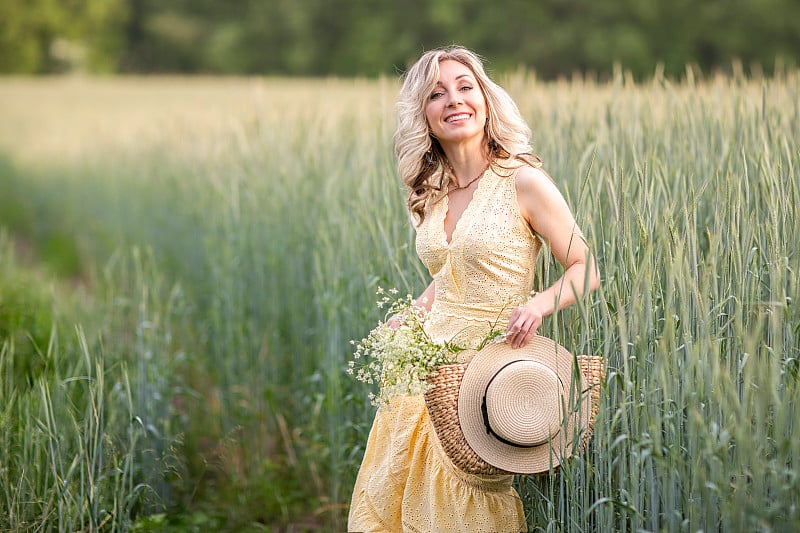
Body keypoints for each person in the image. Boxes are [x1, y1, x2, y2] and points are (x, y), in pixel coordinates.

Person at [348, 46, 600, 533]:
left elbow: (584, 267)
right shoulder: (432, 191)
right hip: (426, 363)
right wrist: (412, 313)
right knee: (401, 485)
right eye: (436, 93)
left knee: (468, 493)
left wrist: (540, 303)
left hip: (487, 366)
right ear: (424, 115)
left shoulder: (523, 181)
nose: (454, 100)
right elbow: (446, 278)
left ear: (486, 100)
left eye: (465, 86)